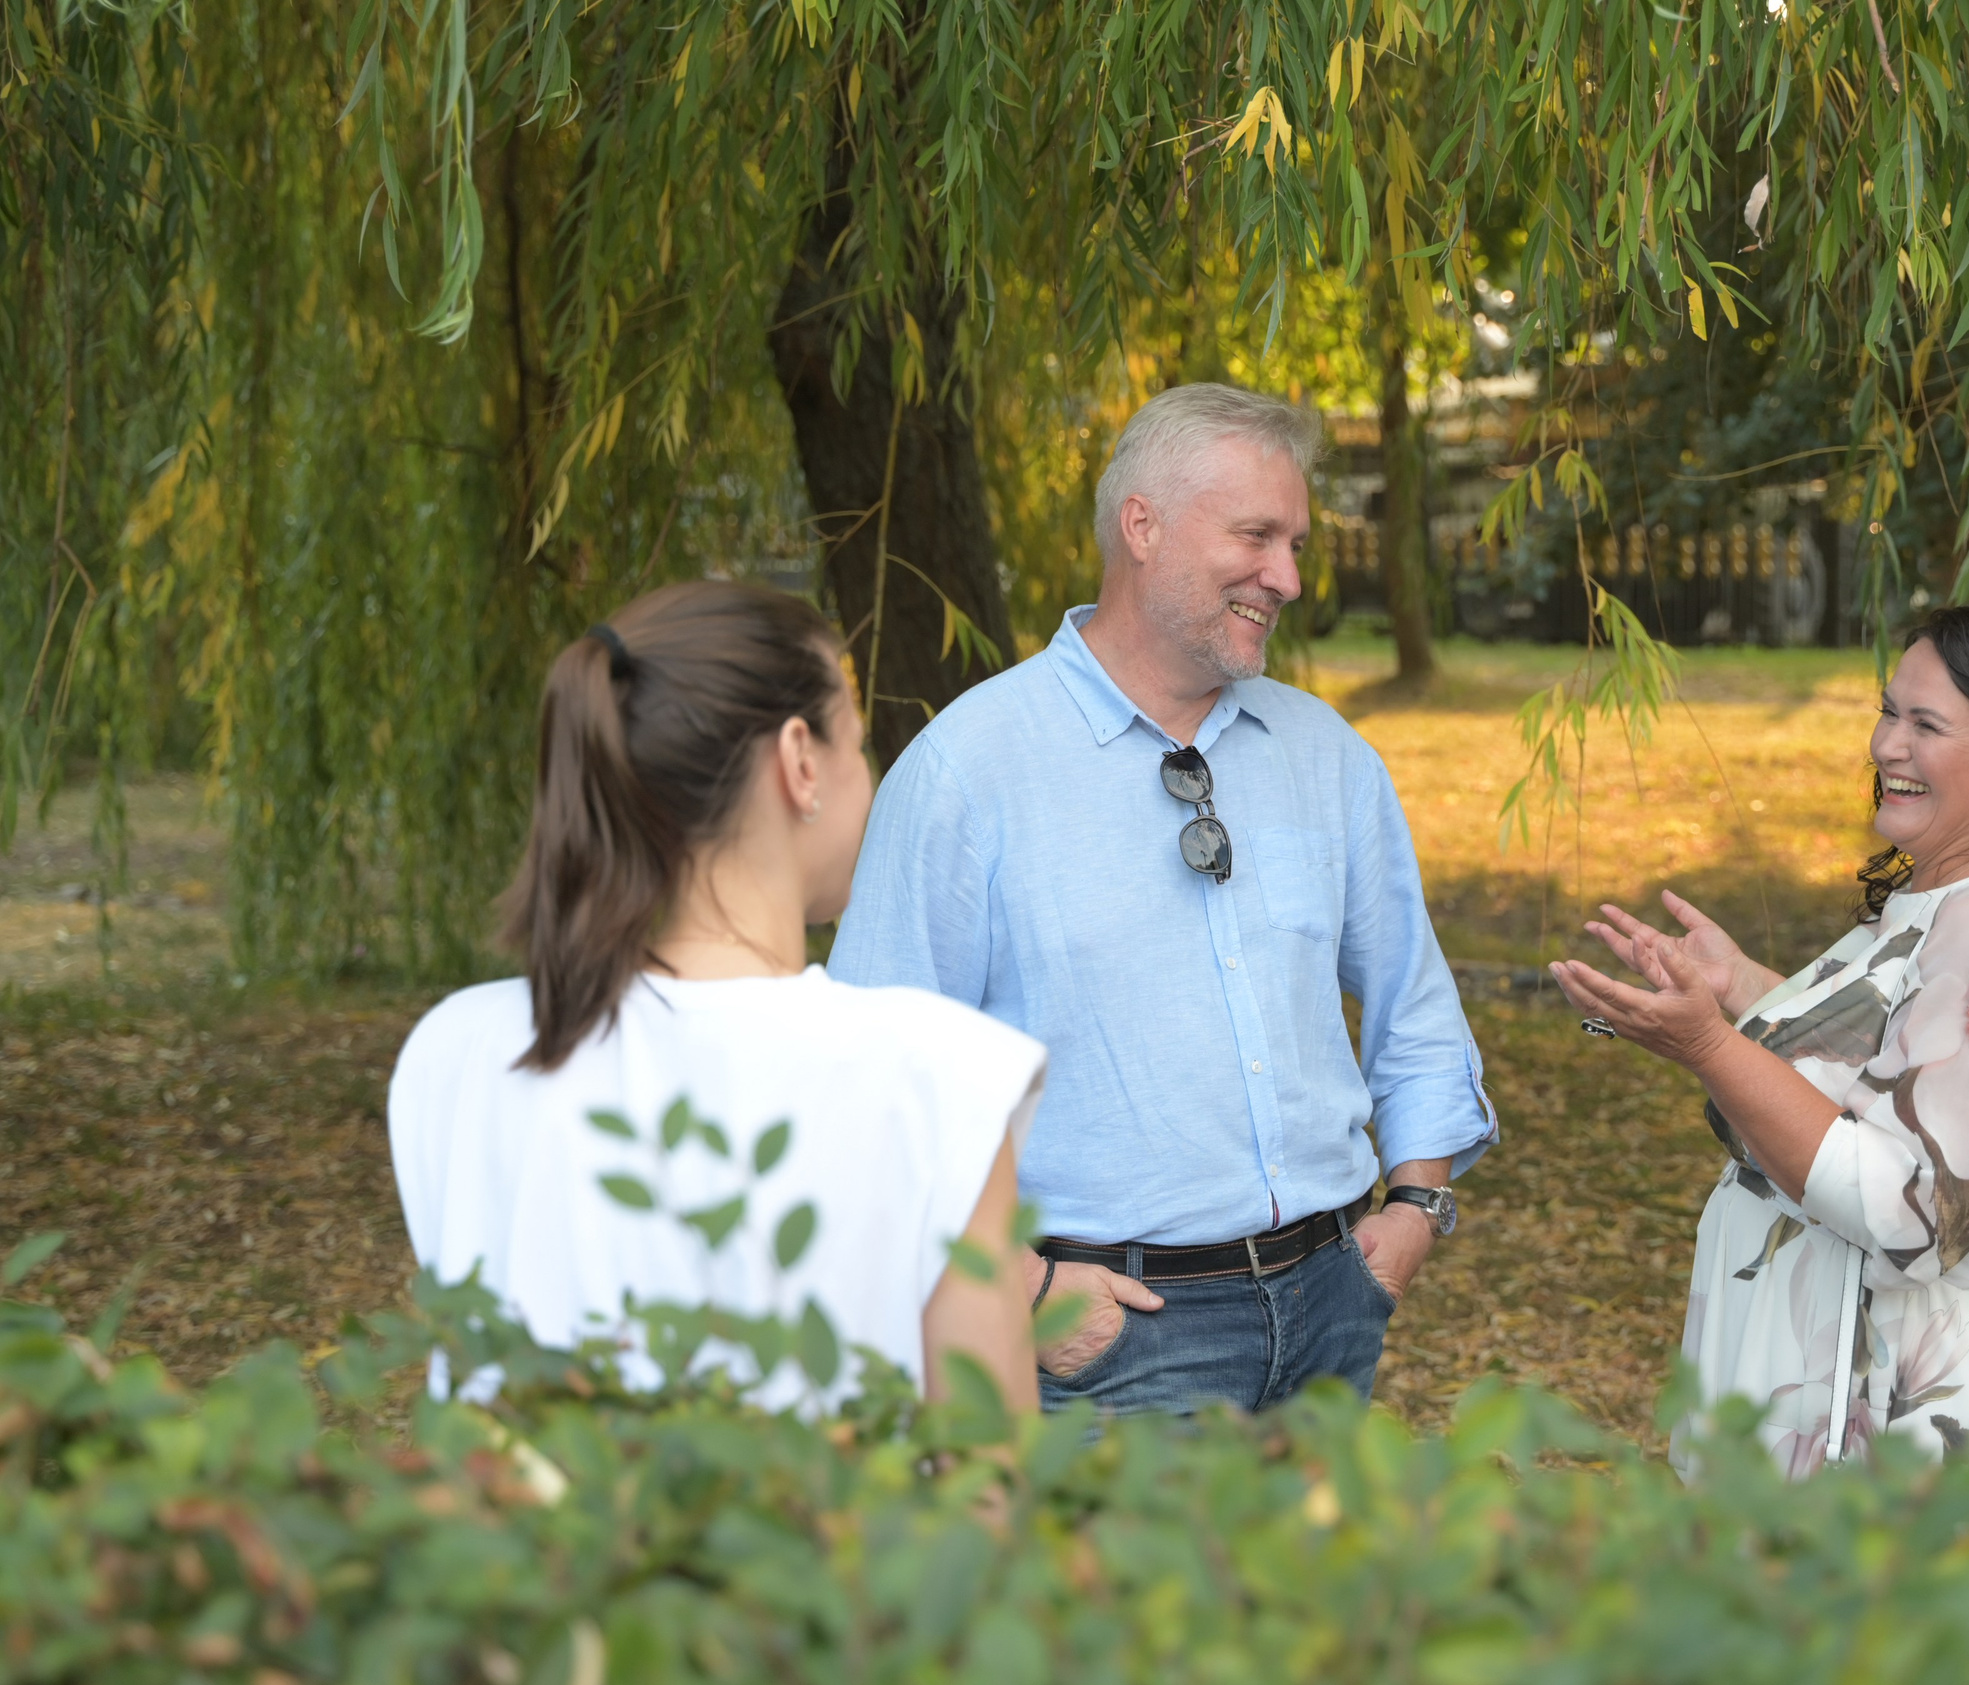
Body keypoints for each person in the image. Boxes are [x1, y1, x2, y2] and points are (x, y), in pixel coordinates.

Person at [832, 382, 1496, 1414]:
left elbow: (1413, 1003)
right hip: (1110, 1339)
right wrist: (1026, 1291)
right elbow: (872, 1085)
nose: (1286, 577)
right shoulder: (969, 769)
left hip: (1333, 1306)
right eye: (1255, 537)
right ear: (1142, 527)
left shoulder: (1325, 756)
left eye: (1296, 545)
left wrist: (1415, 1207)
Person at [1551, 602, 1969, 1473]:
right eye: (1890, 711)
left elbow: (1918, 1210)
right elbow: (1896, 1071)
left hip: (1918, 1424)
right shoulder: (1967, 895)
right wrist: (1742, 988)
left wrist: (1710, 1046)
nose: (1887, 744)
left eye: (1927, 724)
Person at [388, 581, 1042, 1413]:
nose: (869, 776)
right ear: (800, 761)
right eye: (857, 742)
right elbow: (987, 1471)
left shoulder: (458, 1053)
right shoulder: (940, 1078)